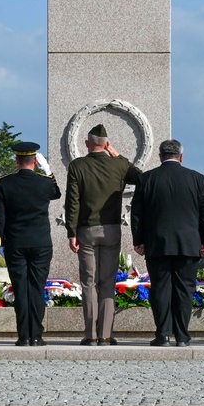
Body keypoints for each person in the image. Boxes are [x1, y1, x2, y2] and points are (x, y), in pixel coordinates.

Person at [64, 123, 141, 345]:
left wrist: (71, 231)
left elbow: (73, 201)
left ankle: (90, 335)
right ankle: (106, 334)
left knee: (89, 282)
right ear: (106, 144)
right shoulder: (118, 166)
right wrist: (117, 155)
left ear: (87, 144)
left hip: (86, 229)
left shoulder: (77, 166)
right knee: (107, 282)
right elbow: (140, 177)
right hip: (111, 228)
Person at [130, 139, 204, 347]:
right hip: (188, 243)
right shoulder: (196, 178)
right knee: (185, 290)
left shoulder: (147, 178)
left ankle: (163, 334)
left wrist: (138, 240)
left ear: (160, 157)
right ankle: (182, 336)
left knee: (160, 289)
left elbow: (137, 213)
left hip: (157, 243)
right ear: (181, 157)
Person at [0, 142, 62, 346]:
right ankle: (37, 335)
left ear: (17, 161)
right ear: (35, 161)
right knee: (36, 287)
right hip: (40, 242)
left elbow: (0, 214)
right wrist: (48, 171)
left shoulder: (5, 183)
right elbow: (56, 192)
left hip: (15, 242)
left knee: (20, 288)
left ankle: (23, 335)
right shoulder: (44, 182)